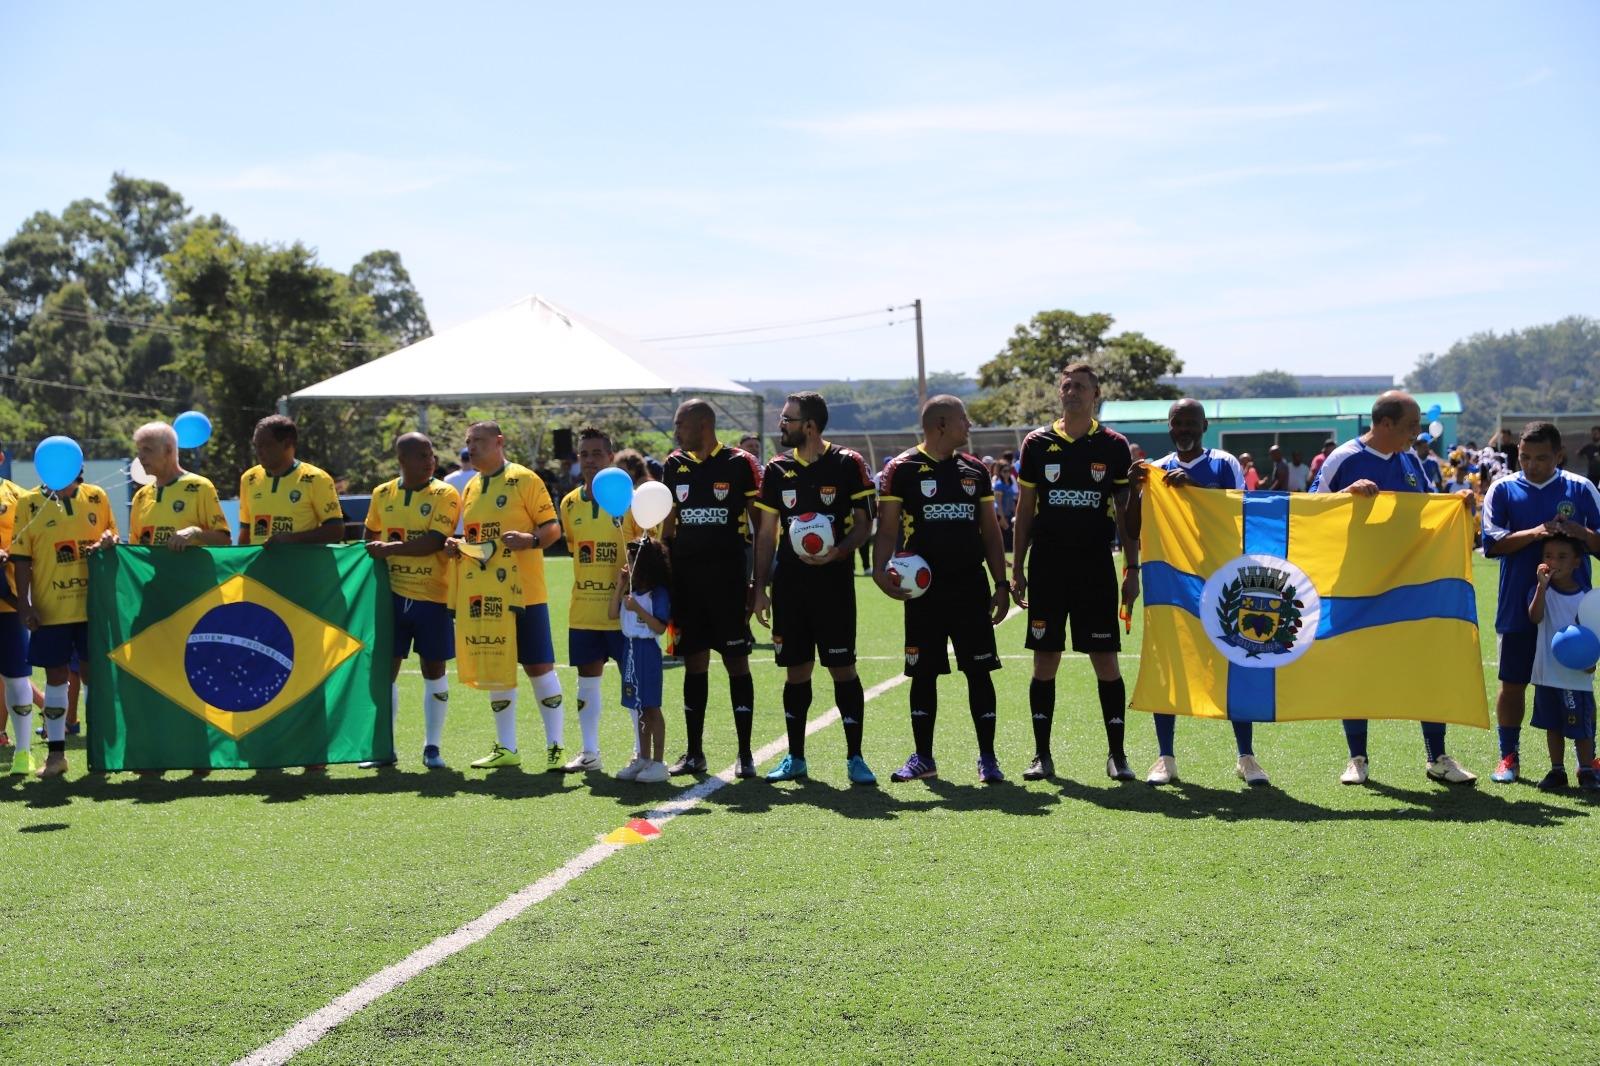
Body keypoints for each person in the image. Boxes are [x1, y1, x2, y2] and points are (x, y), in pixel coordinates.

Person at [1309, 390, 1478, 785]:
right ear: (1384, 424)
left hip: (1408, 581)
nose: (1418, 433)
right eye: (1411, 425)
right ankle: (1357, 758)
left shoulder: (1410, 460)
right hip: (1355, 582)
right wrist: (1345, 496)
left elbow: (1423, 511)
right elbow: (1309, 511)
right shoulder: (1344, 458)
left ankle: (1437, 757)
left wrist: (1455, 501)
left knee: (1425, 667)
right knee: (1356, 669)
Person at [1010, 364, 1139, 781]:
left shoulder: (1114, 445)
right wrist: (1017, 568)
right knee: (1045, 658)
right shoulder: (1037, 443)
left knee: (1105, 658)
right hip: (1047, 565)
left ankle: (1117, 755)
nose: (1071, 392)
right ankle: (1041, 756)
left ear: (1095, 393)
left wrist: (1132, 568)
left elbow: (1126, 516)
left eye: (1080, 386)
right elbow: (1024, 511)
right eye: (1066, 386)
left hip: (1095, 565)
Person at [1134, 399, 1270, 786]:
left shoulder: (1224, 463)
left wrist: (1193, 490)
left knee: (1234, 663)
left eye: (1192, 422)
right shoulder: (1157, 470)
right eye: (1179, 423)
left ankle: (1246, 757)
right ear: (1170, 426)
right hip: (1173, 583)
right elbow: (1132, 528)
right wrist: (1133, 488)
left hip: (1222, 581)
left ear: (1205, 425)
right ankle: (1165, 757)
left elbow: (1241, 513)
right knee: (1169, 664)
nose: (1185, 429)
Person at [876, 395, 1009, 783]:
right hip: (923, 594)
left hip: (970, 587)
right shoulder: (901, 469)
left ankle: (988, 758)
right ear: (941, 424)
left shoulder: (975, 470)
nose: (969, 427)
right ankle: (923, 758)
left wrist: (1001, 584)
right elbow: (886, 529)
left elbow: (990, 532)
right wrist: (880, 571)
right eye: (964, 420)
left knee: (979, 671)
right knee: (923, 673)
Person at [750, 392, 876, 784]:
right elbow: (767, 534)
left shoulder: (847, 464)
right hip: (790, 586)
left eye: (787, 419)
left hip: (834, 586)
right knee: (796, 671)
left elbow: (864, 524)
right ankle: (796, 758)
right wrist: (759, 587)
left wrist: (839, 551)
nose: (780, 426)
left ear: (809, 425)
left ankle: (855, 758)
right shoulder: (775, 470)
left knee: (842, 668)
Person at [1480, 421, 1600, 783]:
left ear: (1559, 455)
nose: (1531, 465)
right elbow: (1492, 544)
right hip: (1520, 605)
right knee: (1512, 683)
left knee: (1576, 686)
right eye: (1524, 457)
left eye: (1541, 458)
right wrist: (1537, 533)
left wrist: (1579, 532)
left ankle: (1584, 763)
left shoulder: (1581, 488)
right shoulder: (1502, 490)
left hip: (1573, 613)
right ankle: (1508, 758)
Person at [445, 420, 566, 770]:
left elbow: (552, 529)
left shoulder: (525, 479)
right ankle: (506, 748)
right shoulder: (470, 487)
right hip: (485, 595)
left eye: (479, 441)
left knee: (539, 666)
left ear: (499, 441)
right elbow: (480, 544)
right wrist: (459, 547)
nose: (472, 448)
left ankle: (555, 746)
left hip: (525, 593)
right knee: (496, 666)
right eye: (469, 442)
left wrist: (530, 540)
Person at [660, 400, 763, 777]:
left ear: (703, 424)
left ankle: (746, 754)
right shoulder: (674, 464)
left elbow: (761, 526)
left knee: (737, 662)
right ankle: (694, 753)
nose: (676, 432)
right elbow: (668, 526)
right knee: (694, 662)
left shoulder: (740, 464)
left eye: (680, 424)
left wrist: (759, 581)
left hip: (729, 583)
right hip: (688, 585)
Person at [362, 432, 460, 770]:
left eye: (431, 453)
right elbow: (370, 534)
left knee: (434, 668)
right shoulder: (382, 493)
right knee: (385, 670)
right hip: (391, 596)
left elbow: (434, 540)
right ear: (402, 461)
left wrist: (389, 549)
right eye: (421, 455)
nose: (430, 459)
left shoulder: (445, 493)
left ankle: (432, 746)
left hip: (433, 597)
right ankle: (384, 747)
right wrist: (375, 552)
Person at [12, 465, 115, 778]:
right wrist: (24, 603)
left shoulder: (97, 496)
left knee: (92, 675)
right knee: (56, 677)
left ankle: (102, 754)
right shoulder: (29, 502)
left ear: (78, 467)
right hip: (50, 609)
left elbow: (113, 538)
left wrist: (109, 540)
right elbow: (22, 558)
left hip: (92, 608)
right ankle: (56, 755)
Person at [558, 428, 647, 773]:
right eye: (584, 454)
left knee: (632, 684)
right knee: (587, 680)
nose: (590, 460)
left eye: (597, 453)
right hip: (584, 609)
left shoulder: (631, 502)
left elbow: (647, 551)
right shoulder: (569, 503)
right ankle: (590, 752)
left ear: (611, 458)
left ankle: (641, 752)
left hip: (624, 612)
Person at [1527, 536, 1598, 791]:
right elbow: (1535, 618)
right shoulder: (1540, 591)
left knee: (1582, 726)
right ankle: (1557, 770)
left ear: (1577, 562)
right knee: (1552, 724)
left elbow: (1593, 634)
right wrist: (1541, 588)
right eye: (1548, 556)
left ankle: (1587, 770)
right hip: (1547, 673)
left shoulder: (1586, 597)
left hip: (1576, 676)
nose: (1553, 562)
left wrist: (1591, 662)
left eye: (1561, 556)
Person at [611, 538, 673, 783]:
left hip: (646, 650)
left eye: (633, 559)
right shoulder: (630, 591)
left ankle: (658, 762)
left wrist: (637, 608)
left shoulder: (657, 594)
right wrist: (620, 586)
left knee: (650, 707)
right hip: (629, 650)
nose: (629, 563)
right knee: (637, 708)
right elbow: (611, 613)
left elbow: (659, 627)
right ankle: (643, 757)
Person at [237, 415, 344, 548]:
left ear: (287, 444)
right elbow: (245, 531)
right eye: (256, 445)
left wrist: (292, 539)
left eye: (266, 445)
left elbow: (336, 531)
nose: (259, 451)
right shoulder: (249, 478)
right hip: (262, 567)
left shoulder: (316, 478)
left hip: (300, 567)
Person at [128, 422, 232, 551]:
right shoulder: (140, 497)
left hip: (192, 571)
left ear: (168, 450)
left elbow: (224, 540)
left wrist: (195, 533)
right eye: (139, 450)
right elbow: (133, 550)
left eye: (147, 449)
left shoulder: (200, 487)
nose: (140, 457)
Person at [0, 453, 34, 774]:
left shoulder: (19, 496)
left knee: (16, 678)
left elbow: (32, 546)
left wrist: (8, 554)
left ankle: (24, 752)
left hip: (7, 607)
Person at [443, 446, 474, 535]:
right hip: (473, 528)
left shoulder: (448, 478)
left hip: (453, 527)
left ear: (460, 459)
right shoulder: (479, 477)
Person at [991, 456, 1018, 553]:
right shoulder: (998, 485)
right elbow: (998, 503)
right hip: (1002, 515)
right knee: (1004, 542)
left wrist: (1016, 514)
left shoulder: (1010, 483)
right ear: (1000, 472)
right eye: (1004, 471)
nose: (1007, 473)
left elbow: (1012, 500)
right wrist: (1002, 518)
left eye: (1008, 471)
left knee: (1011, 541)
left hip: (1010, 515)